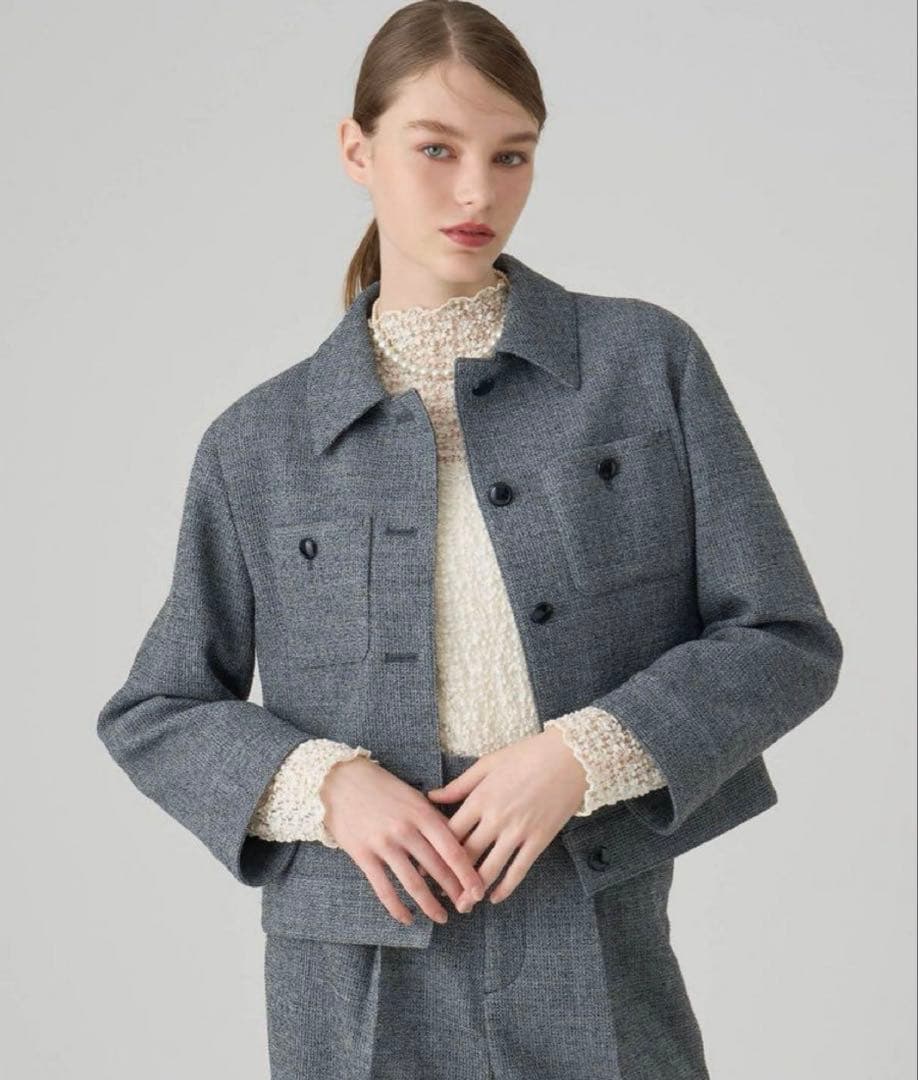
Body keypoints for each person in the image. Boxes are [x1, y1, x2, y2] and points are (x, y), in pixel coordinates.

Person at [96, 3, 843, 1078]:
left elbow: (781, 638)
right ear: (357, 149)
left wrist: (582, 755)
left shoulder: (643, 365)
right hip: (353, 962)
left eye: (511, 156)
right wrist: (329, 785)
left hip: (590, 912)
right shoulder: (258, 443)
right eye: (436, 149)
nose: (477, 193)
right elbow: (157, 708)